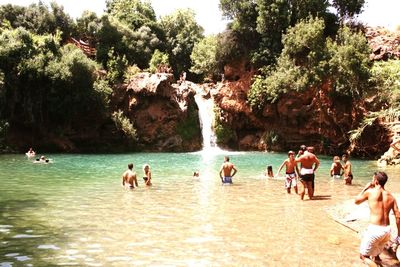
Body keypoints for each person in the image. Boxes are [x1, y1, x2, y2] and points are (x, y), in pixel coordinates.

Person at [355, 171, 400, 266]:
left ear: (375, 181)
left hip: (375, 229)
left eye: (372, 179)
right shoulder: (391, 197)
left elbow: (356, 201)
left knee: (363, 256)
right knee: (375, 255)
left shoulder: (370, 192)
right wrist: (399, 235)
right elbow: (398, 216)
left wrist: (365, 188)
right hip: (387, 231)